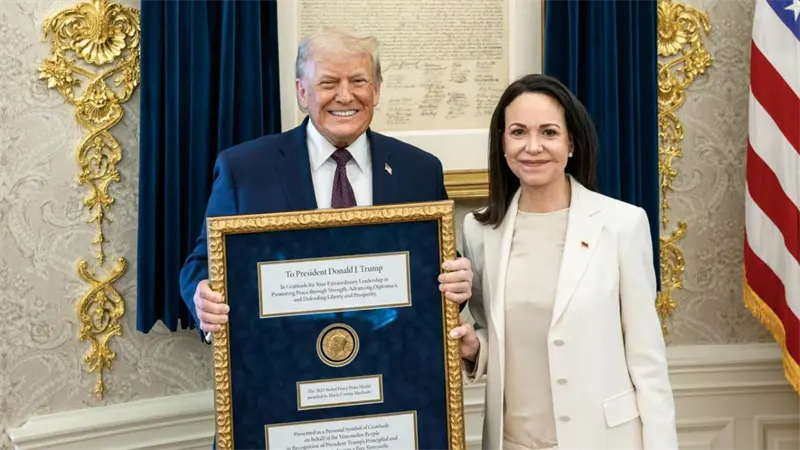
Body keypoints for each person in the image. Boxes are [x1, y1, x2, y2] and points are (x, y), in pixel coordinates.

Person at [179, 28, 473, 337]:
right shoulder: (244, 170)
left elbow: (437, 266)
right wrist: (203, 296)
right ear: (303, 93)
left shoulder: (419, 170)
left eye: (358, 81)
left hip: (392, 361)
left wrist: (459, 281)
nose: (345, 96)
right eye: (328, 83)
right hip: (281, 362)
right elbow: (203, 263)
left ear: (376, 91)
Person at [448, 74, 678, 450]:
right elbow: (498, 332)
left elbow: (647, 360)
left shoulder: (622, 224)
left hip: (604, 440)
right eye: (519, 132)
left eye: (549, 132)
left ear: (571, 142)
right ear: (502, 142)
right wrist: (475, 348)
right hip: (512, 441)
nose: (533, 147)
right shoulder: (480, 230)